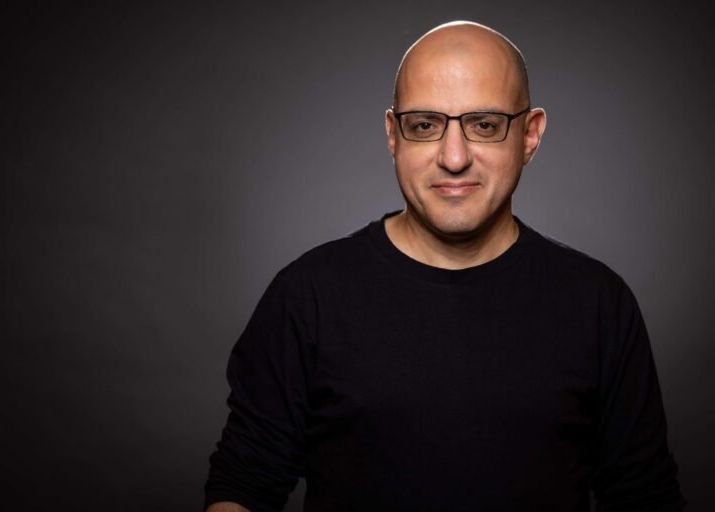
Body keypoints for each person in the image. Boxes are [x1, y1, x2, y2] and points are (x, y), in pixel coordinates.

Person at [204, 21, 686, 512]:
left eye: (484, 125)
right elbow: (242, 487)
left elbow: (643, 495)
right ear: (393, 136)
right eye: (424, 125)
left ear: (529, 135)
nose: (454, 158)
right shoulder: (308, 296)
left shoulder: (598, 303)